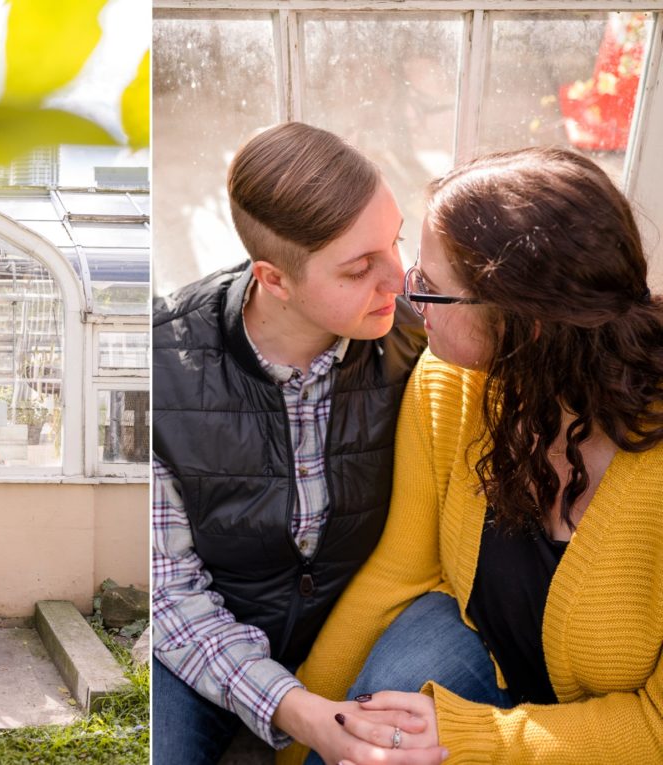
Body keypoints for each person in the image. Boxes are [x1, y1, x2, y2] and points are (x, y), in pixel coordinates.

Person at [283, 146, 663, 765]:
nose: (407, 298)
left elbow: (655, 725)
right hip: (483, 653)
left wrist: (472, 738)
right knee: (365, 740)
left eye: (431, 289)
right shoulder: (452, 381)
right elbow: (398, 572)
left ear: (526, 325)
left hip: (622, 734)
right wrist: (309, 732)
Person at [152, 121, 434, 764]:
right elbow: (170, 594)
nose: (399, 279)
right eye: (362, 267)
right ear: (274, 280)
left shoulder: (422, 338)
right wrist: (298, 711)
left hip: (365, 628)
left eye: (394, 241)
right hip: (206, 636)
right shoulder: (161, 367)